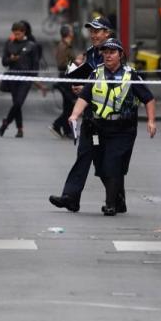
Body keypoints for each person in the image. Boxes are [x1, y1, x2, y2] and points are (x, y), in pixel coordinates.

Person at [66, 38, 156, 216]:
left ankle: (110, 205)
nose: (107, 55)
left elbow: (149, 99)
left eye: (112, 52)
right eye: (105, 52)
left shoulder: (131, 75)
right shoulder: (96, 73)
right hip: (99, 127)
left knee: (112, 163)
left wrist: (151, 121)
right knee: (101, 165)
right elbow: (84, 96)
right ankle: (118, 200)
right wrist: (74, 115)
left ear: (120, 55)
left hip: (123, 129)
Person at [48, 17, 113, 212]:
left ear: (107, 33)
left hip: (110, 118)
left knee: (106, 163)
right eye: (91, 31)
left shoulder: (113, 54)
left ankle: (116, 198)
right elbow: (88, 78)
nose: (93, 34)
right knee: (84, 155)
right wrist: (78, 86)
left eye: (98, 31)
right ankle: (71, 197)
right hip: (92, 115)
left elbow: (113, 81)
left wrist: (86, 88)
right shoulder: (91, 54)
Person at [0, 21, 41, 138]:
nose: (16, 36)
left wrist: (33, 78)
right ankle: (20, 129)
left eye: (18, 34)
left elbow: (35, 64)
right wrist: (11, 59)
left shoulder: (31, 45)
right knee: (16, 104)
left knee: (19, 102)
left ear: (24, 32)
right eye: (14, 33)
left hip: (26, 78)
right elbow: (4, 61)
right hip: (12, 77)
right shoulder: (9, 44)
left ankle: (7, 121)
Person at [50, 24, 76, 139]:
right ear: (68, 33)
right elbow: (61, 64)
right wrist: (76, 64)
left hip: (68, 78)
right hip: (66, 80)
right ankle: (56, 124)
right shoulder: (63, 46)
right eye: (71, 31)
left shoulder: (67, 45)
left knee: (67, 106)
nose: (73, 33)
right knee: (70, 105)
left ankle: (66, 130)